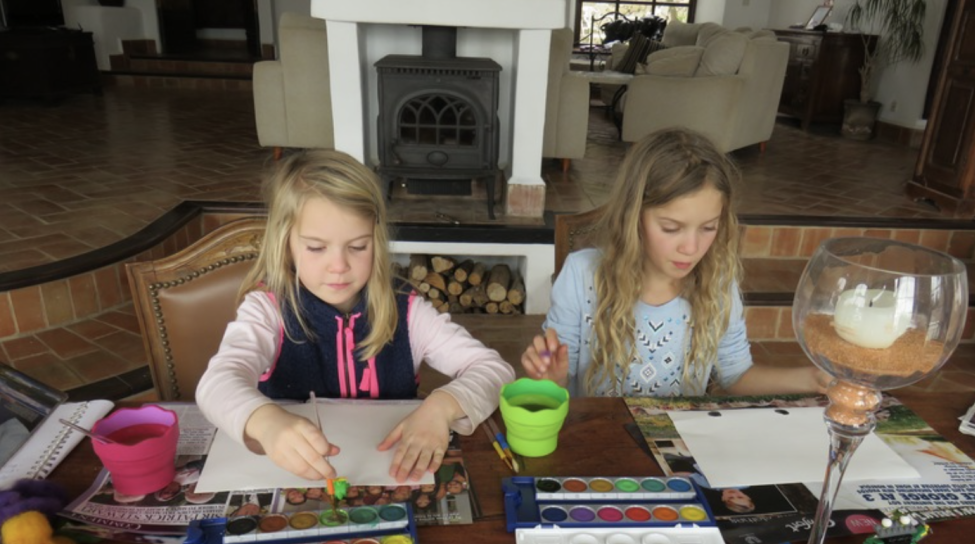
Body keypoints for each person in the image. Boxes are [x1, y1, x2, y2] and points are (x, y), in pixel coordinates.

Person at [197, 150, 513, 483]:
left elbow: (495, 370)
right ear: (285, 243)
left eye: (358, 246)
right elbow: (217, 383)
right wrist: (265, 422)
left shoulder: (409, 312)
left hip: (392, 474)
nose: (339, 266)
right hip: (293, 476)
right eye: (316, 247)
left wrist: (442, 407)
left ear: (376, 239)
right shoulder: (267, 310)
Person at [522, 128, 830, 399]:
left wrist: (811, 379)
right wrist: (552, 379)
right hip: (600, 436)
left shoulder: (718, 282)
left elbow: (736, 375)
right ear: (633, 217)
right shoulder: (581, 276)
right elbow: (557, 380)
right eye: (671, 228)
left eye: (708, 227)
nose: (691, 248)